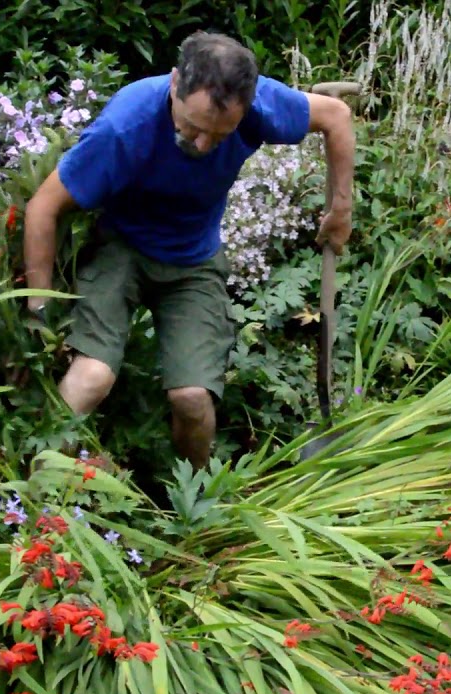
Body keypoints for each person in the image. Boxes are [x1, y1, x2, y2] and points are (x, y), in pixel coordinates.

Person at [21, 30, 355, 470]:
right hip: (122, 246)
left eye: (220, 136)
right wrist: (38, 307)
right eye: (192, 130)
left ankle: (191, 504)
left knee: (193, 397)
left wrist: (341, 209)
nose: (202, 146)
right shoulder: (126, 126)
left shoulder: (258, 104)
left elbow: (336, 115)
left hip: (193, 257)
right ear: (176, 82)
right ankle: (31, 496)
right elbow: (43, 208)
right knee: (92, 377)